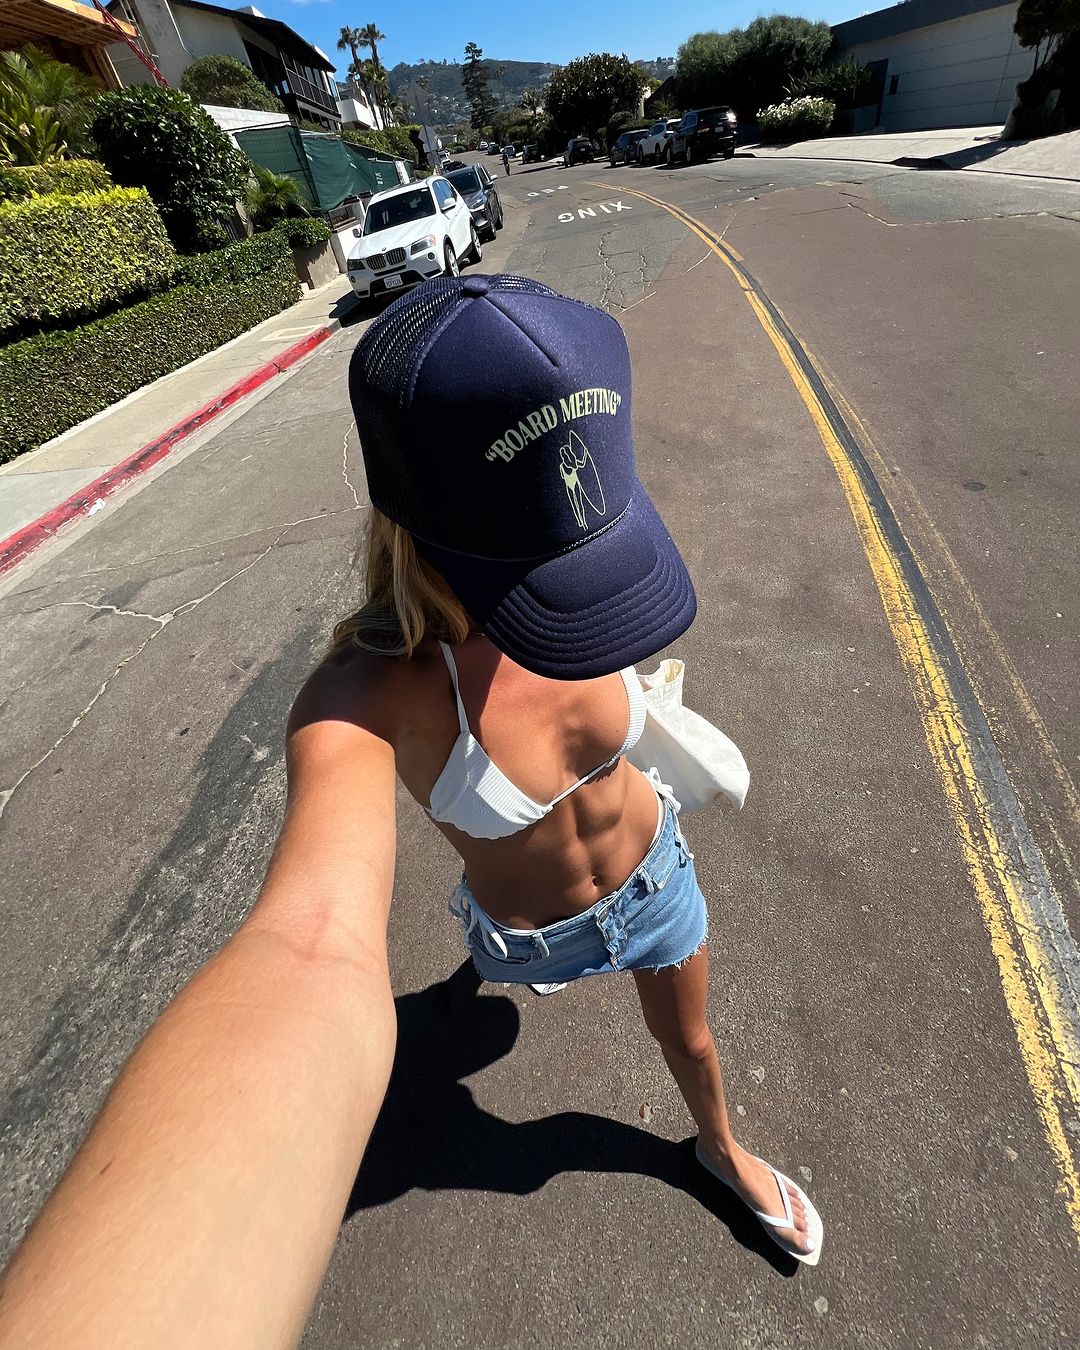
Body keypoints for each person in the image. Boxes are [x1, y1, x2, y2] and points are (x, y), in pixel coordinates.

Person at [0, 274, 820, 1346]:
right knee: (499, 1033)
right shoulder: (370, 691)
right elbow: (307, 945)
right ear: (424, 526)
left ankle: (718, 1148)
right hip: (531, 934)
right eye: (539, 571)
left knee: (695, 1044)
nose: (582, 596)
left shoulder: (580, 537)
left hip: (653, 876)